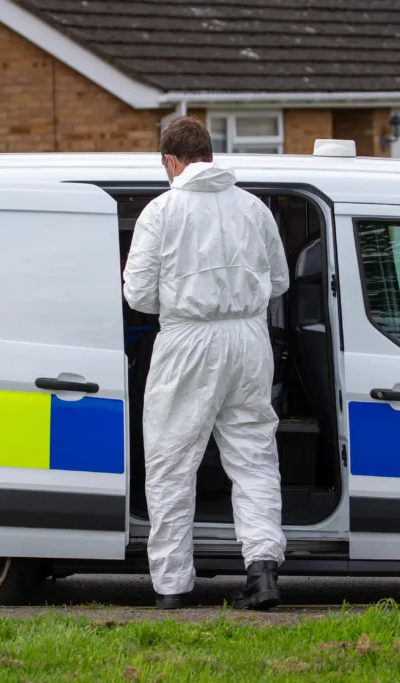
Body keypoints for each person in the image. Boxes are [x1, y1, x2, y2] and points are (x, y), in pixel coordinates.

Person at [122, 117, 290, 611]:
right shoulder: (255, 209)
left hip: (187, 338)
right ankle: (262, 574)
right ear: (210, 156)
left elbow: (137, 295)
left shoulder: (161, 211)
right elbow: (278, 281)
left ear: (170, 162)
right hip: (249, 339)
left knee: (173, 463)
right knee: (253, 456)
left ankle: (173, 586)